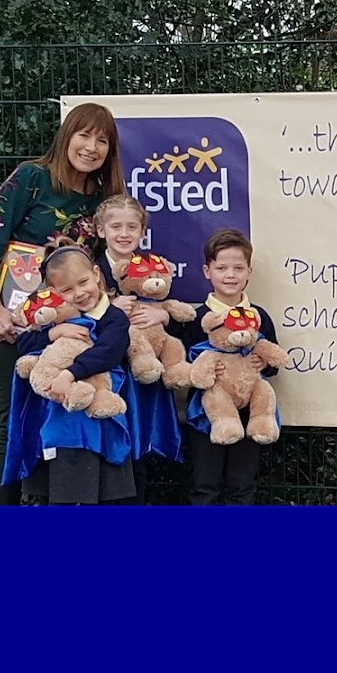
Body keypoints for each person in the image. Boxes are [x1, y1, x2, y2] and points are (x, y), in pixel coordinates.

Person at [0, 101, 126, 505]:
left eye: (102, 140)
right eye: (84, 135)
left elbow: (106, 267)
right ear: (66, 136)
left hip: (74, 329)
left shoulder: (105, 200)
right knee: (14, 422)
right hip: (14, 321)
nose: (91, 147)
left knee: (62, 419)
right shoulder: (31, 177)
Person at [4, 239, 135, 505]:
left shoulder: (114, 317)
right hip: (60, 420)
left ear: (96, 274)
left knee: (105, 494)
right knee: (61, 490)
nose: (79, 293)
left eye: (83, 282)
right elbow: (23, 344)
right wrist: (54, 333)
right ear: (52, 293)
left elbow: (108, 352)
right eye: (67, 290)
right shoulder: (54, 319)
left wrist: (69, 374)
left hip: (100, 417)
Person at [177, 229, 281, 505]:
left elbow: (274, 362)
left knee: (242, 485)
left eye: (238, 268)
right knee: (204, 485)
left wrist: (264, 363)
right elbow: (184, 365)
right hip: (205, 416)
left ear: (249, 271)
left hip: (248, 415)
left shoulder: (260, 317)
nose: (230, 275)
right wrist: (206, 372)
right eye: (222, 268)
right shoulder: (196, 318)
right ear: (207, 271)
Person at [93, 195, 184, 504]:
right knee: (107, 447)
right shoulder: (90, 269)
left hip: (141, 378)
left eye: (132, 227)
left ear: (142, 232)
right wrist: (108, 308)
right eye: (116, 226)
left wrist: (163, 316)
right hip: (104, 375)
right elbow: (72, 313)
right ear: (101, 230)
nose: (124, 233)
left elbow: (178, 316)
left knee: (138, 449)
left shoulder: (152, 268)